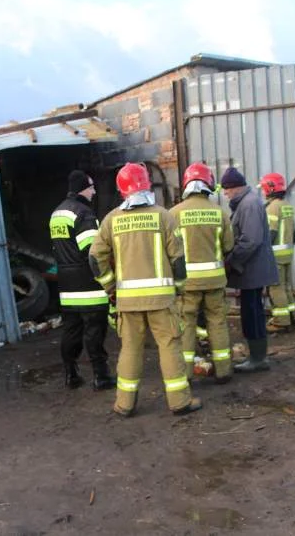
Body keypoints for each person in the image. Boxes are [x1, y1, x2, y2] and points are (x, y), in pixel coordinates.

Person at [89, 162, 202, 417]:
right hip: (162, 300)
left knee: (130, 349)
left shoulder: (111, 220)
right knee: (170, 346)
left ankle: (124, 404)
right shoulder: (164, 216)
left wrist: (110, 287)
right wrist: (180, 289)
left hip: (128, 302)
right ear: (147, 186)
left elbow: (95, 258)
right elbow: (179, 260)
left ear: (122, 190)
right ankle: (179, 402)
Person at [49, 170, 115, 390]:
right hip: (88, 285)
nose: (94, 191)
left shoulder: (56, 213)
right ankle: (101, 376)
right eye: (91, 187)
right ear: (82, 189)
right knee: (94, 329)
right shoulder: (84, 213)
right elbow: (92, 252)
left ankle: (71, 374)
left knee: (71, 330)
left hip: (66, 286)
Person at [169, 163, 234, 383]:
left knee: (186, 325)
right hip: (215, 281)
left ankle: (185, 374)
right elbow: (228, 246)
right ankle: (224, 370)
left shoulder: (174, 214)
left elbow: (168, 251)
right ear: (209, 184)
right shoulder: (220, 213)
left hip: (187, 284)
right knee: (217, 322)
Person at [220, 167, 279, 373]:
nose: (225, 194)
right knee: (250, 311)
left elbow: (250, 240)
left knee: (252, 313)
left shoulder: (249, 204)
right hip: (251, 270)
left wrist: (231, 260)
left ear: (234, 188)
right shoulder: (246, 203)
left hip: (252, 270)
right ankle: (256, 356)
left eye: (226, 190)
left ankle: (258, 358)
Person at [259, 172, 295, 333]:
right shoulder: (286, 206)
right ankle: (291, 316)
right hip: (287, 253)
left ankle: (281, 322)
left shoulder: (272, 208)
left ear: (270, 188)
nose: (262, 192)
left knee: (276, 288)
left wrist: (262, 252)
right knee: (287, 287)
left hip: (275, 256)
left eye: (263, 188)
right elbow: (294, 232)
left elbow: (271, 233)